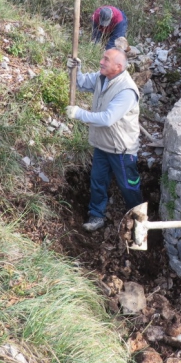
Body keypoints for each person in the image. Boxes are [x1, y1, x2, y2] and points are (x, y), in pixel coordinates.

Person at [65, 48, 143, 232]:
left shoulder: (127, 90)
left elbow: (108, 118)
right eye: (102, 58)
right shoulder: (103, 77)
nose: (101, 61)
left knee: (129, 187)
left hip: (122, 149)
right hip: (102, 145)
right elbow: (81, 83)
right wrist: (75, 70)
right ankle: (96, 215)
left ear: (118, 66)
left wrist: (79, 113)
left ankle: (139, 223)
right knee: (97, 181)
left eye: (106, 60)